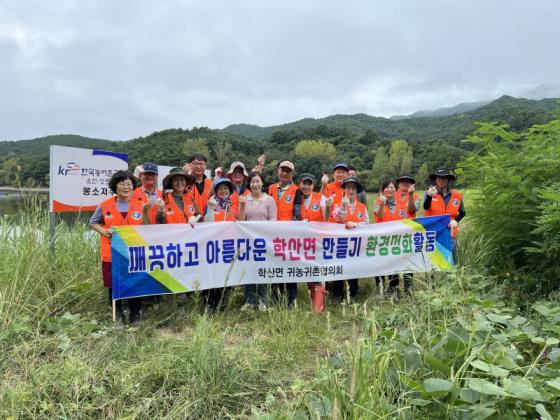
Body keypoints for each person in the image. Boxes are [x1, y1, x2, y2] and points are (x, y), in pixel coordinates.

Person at [89, 170, 145, 323]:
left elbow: (147, 227)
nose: (126, 187)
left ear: (133, 186)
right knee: (114, 286)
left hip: (134, 253)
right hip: (111, 254)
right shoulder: (105, 205)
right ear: (115, 186)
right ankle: (118, 317)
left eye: (129, 184)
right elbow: (93, 222)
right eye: (122, 184)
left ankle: (135, 316)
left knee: (135, 284)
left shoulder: (140, 205)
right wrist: (103, 231)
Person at [238, 172, 278, 310]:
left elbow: (273, 220)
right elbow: (241, 220)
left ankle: (263, 301)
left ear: (262, 183)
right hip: (248, 241)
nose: (255, 184)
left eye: (257, 181)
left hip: (264, 241)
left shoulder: (269, 200)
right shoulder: (244, 199)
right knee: (250, 270)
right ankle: (250, 300)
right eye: (252, 182)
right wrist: (242, 205)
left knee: (263, 270)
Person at [200, 178, 238, 313]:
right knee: (211, 275)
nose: (223, 191)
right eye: (220, 188)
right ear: (215, 191)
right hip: (212, 248)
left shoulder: (233, 207)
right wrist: (210, 208)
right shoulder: (209, 204)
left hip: (227, 247)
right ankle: (209, 304)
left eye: (226, 189)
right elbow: (206, 223)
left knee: (225, 276)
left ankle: (222, 304)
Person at [329, 176, 369, 302]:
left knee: (354, 267)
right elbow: (337, 218)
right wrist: (343, 206)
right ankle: (338, 293)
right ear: (344, 190)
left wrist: (355, 225)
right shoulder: (337, 205)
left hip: (356, 245)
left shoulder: (362, 207)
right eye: (348, 188)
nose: (351, 191)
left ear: (357, 191)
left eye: (353, 188)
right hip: (340, 243)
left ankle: (353, 291)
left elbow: (367, 223)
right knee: (339, 267)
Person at [267, 160, 301, 307]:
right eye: (283, 170)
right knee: (275, 266)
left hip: (289, 235)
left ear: (292, 173)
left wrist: (290, 228)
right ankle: (276, 299)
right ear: (278, 171)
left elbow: (297, 211)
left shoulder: (296, 190)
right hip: (272, 235)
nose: (285, 173)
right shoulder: (271, 188)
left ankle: (292, 299)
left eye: (288, 171)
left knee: (290, 266)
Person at [297, 173, 328, 313]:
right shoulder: (297, 199)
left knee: (318, 273)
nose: (306, 187)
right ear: (300, 185)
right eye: (304, 183)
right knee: (309, 271)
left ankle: (319, 307)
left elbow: (326, 216)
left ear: (313, 186)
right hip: (303, 243)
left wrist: (328, 206)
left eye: (309, 184)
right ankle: (312, 300)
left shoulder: (320, 198)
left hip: (319, 242)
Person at [374, 178, 411, 293]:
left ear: (396, 190)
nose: (389, 190)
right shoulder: (377, 202)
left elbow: (405, 221)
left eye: (392, 187)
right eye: (387, 187)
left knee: (395, 263)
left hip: (397, 240)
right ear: (383, 189)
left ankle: (394, 288)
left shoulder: (402, 204)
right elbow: (379, 216)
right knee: (381, 264)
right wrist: (382, 204)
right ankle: (380, 288)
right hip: (382, 240)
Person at [424, 167, 465, 260]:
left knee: (450, 260)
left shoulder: (456, 195)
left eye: (444, 178)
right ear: (435, 180)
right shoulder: (429, 193)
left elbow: (462, 212)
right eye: (439, 178)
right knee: (432, 262)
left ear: (448, 180)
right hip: (433, 233)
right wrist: (430, 196)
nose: (441, 180)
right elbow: (426, 207)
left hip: (449, 233)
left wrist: (455, 220)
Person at [187, 154, 213, 218]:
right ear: (190, 165)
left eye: (201, 164)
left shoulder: (211, 183)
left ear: (205, 166)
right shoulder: (185, 183)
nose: (198, 167)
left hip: (208, 222)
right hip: (190, 221)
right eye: (196, 164)